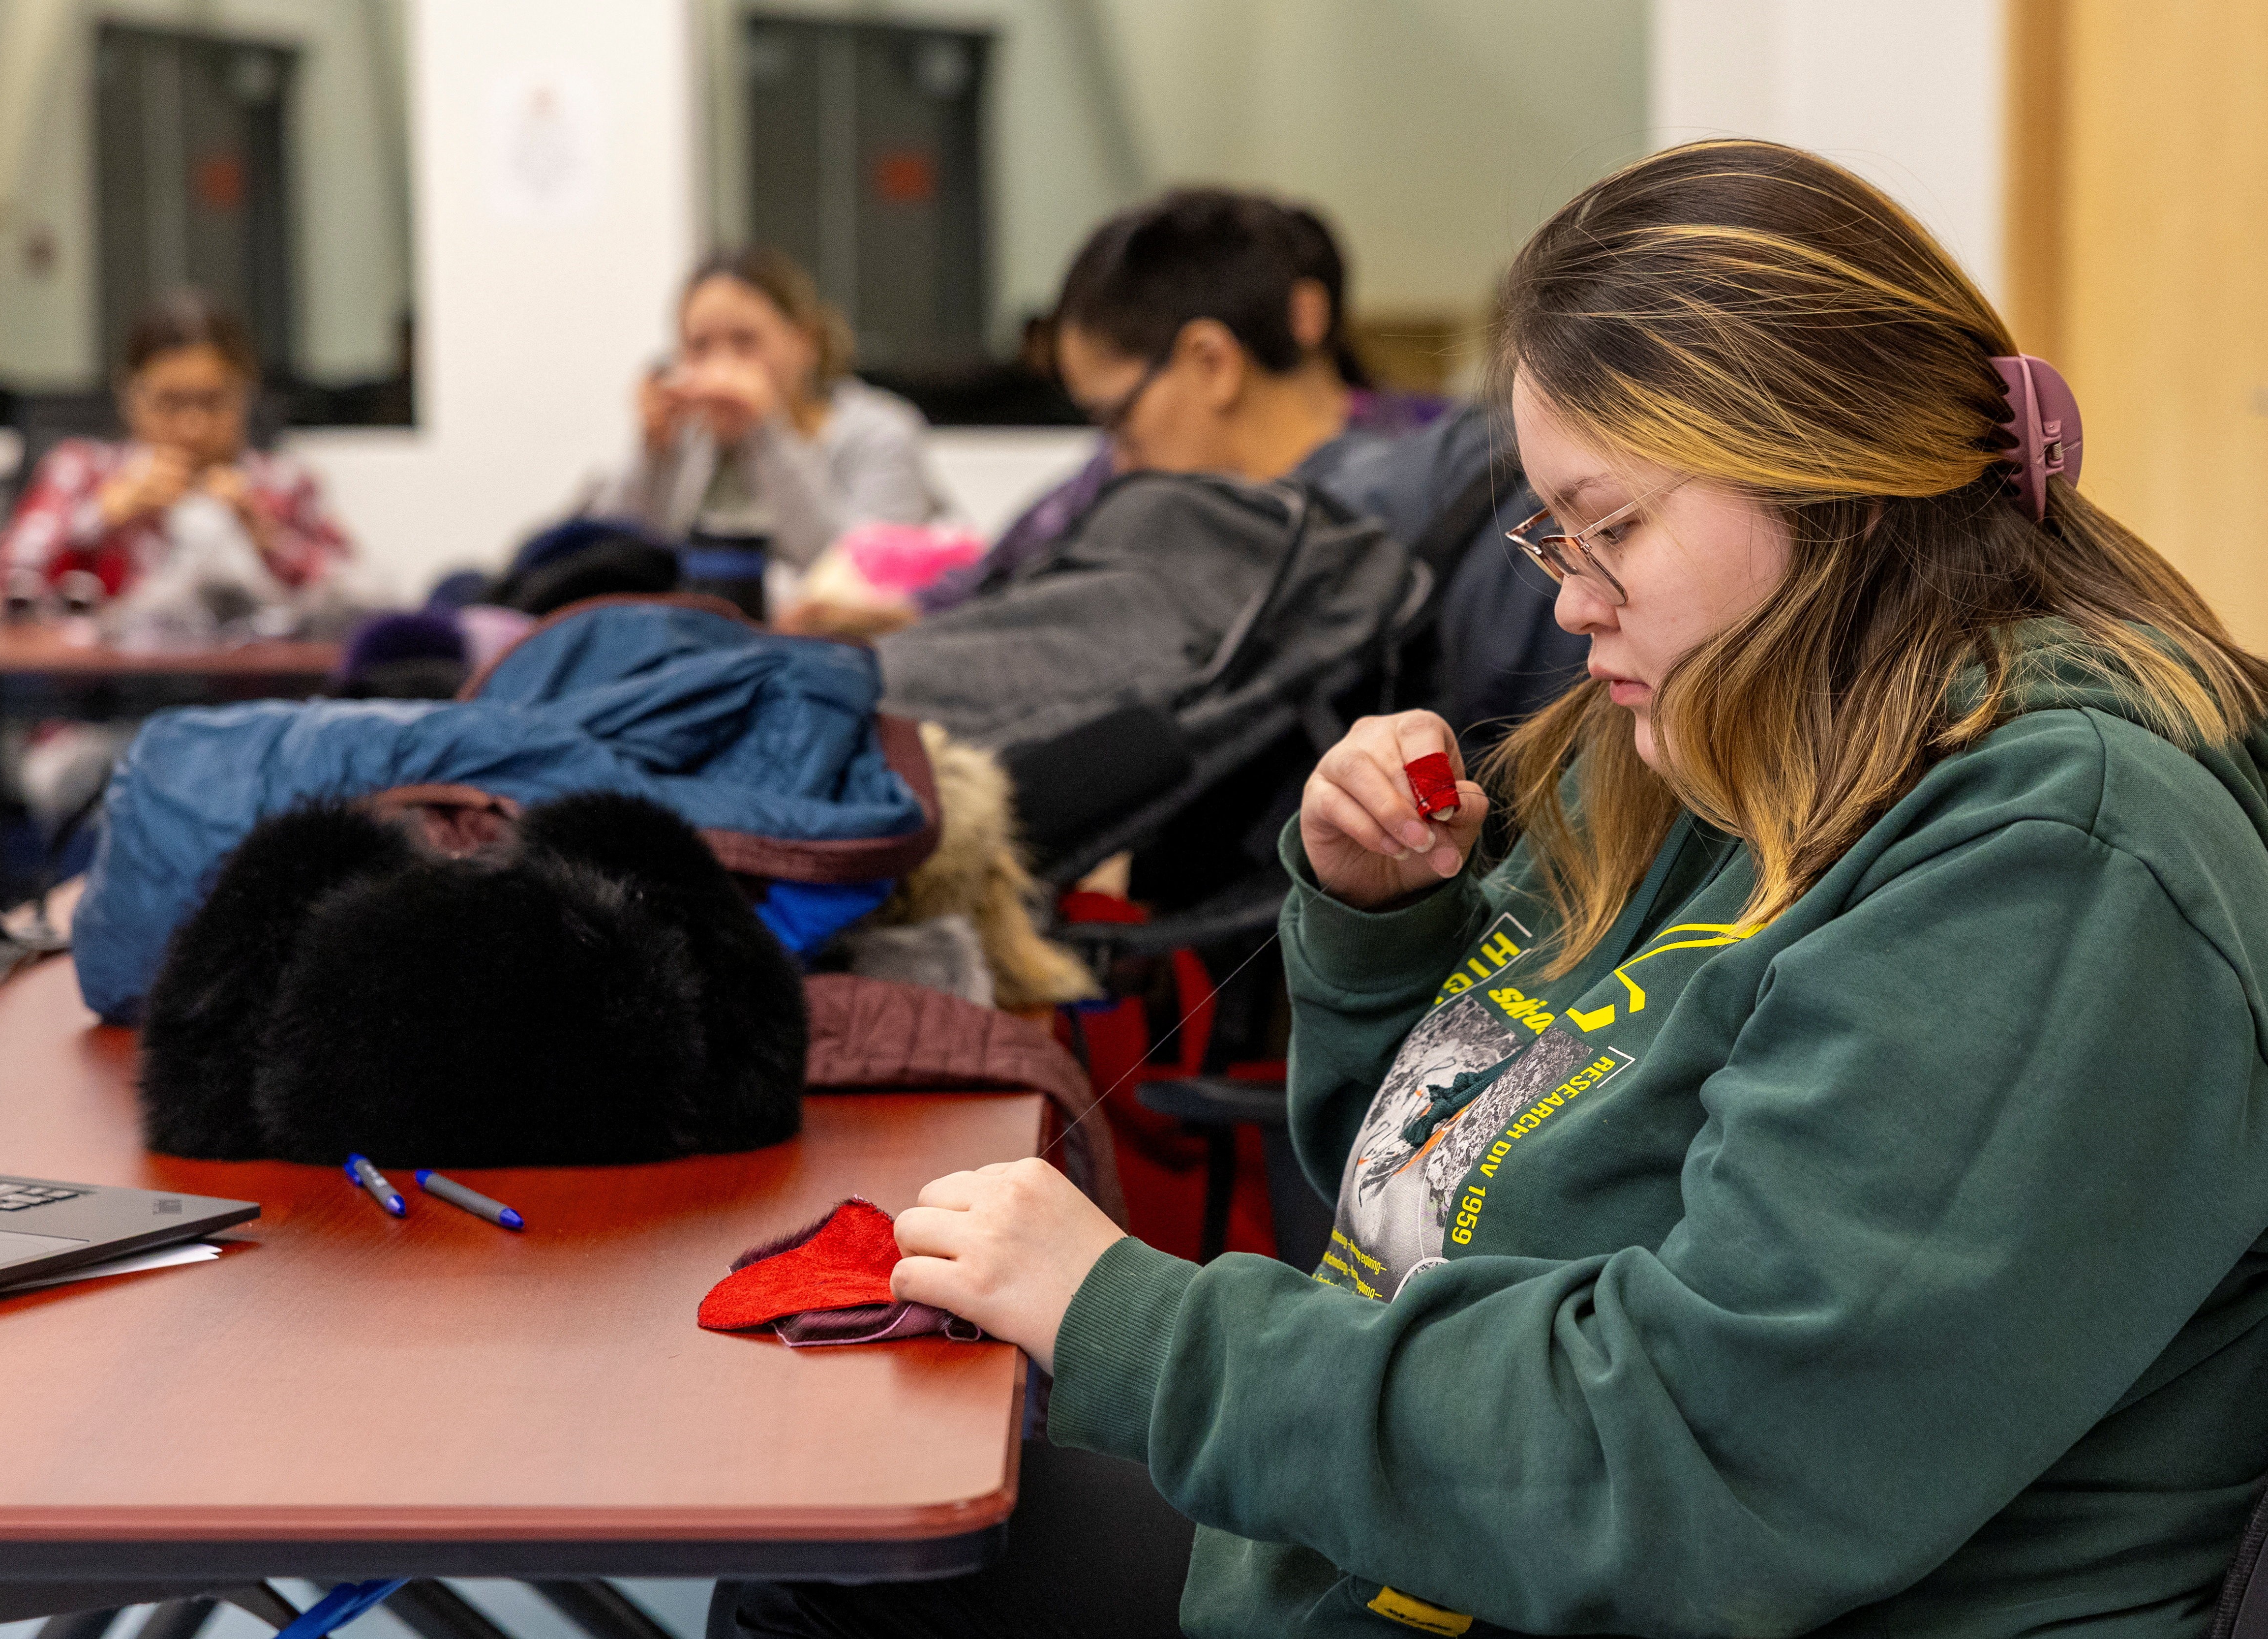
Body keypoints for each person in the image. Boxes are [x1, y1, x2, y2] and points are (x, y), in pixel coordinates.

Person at [713, 140, 2268, 1638]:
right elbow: (1429, 1221)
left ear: (1834, 484)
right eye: (1551, 530)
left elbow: (1676, 1477)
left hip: (1619, 1563)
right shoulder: (1702, 744)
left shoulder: (2056, 867)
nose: (1568, 601)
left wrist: (1137, 1324)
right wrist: (1387, 943)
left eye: (1611, 527)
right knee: (838, 1534)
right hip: (1457, 1555)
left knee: (848, 1552)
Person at [906, 188, 1415, 621]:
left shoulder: (1418, 504)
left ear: (1211, 362)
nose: (1117, 457)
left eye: (1118, 417)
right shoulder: (1117, 480)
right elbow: (982, 588)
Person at [585, 245, 949, 603]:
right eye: (699, 347)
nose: (722, 367)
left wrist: (764, 432)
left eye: (745, 342)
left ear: (804, 341)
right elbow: (611, 569)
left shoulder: (881, 435)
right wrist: (651, 450)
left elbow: (854, 580)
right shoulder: (688, 439)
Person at [0, 290, 351, 607]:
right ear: (130, 395)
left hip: (249, 675)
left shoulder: (285, 483)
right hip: (106, 678)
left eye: (213, 401)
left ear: (244, 395)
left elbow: (356, 596)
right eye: (170, 402)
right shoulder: (83, 469)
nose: (192, 426)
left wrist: (266, 537)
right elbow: (5, 580)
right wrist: (102, 516)